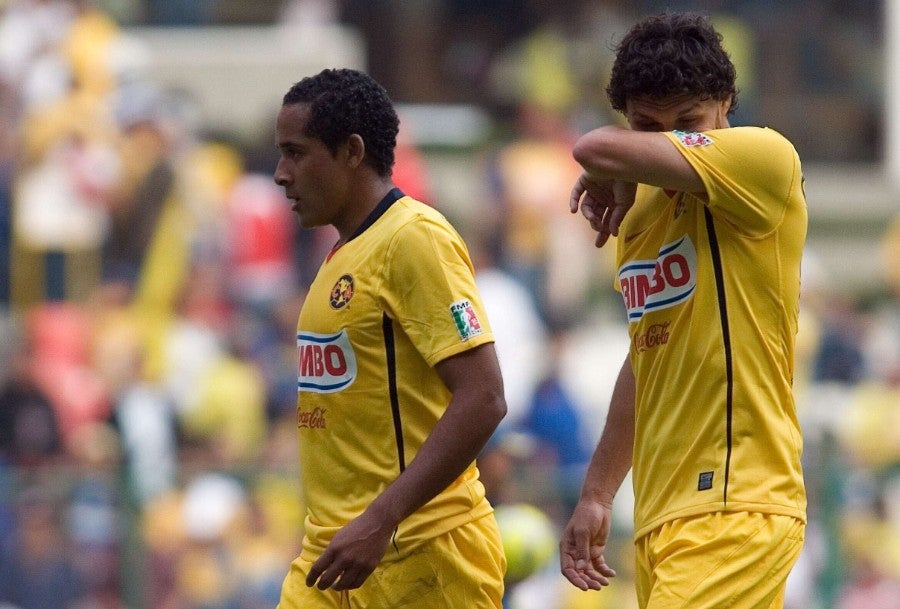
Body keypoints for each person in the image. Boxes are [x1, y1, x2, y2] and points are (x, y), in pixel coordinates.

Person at [560, 13, 808, 609]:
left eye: (687, 124)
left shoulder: (764, 158)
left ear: (725, 104)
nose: (663, 142)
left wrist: (611, 163)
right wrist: (598, 492)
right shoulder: (638, 213)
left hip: (736, 502)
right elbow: (648, 352)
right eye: (646, 126)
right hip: (663, 516)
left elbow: (589, 145)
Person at [272, 68, 508, 609]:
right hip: (331, 556)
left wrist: (379, 520)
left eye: (296, 153)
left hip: (422, 552)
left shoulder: (413, 239)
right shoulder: (341, 255)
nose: (282, 175)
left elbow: (485, 396)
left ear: (352, 151)